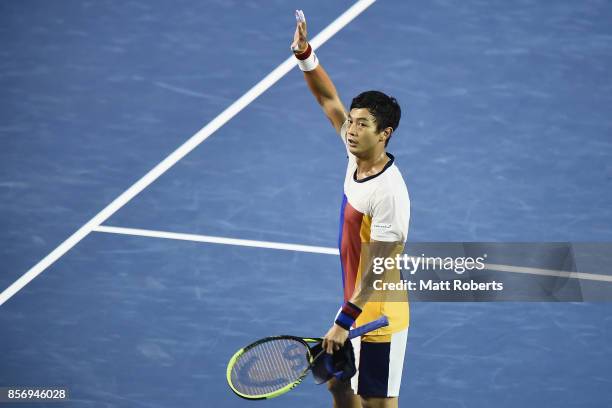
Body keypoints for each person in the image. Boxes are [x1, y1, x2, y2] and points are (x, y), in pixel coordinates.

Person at [290, 10, 411, 408]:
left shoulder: (389, 193)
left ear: (385, 133)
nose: (352, 130)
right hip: (354, 303)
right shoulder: (353, 152)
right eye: (353, 122)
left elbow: (377, 267)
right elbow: (328, 100)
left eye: (362, 125)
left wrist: (345, 320)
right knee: (338, 386)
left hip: (379, 314)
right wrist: (306, 55)